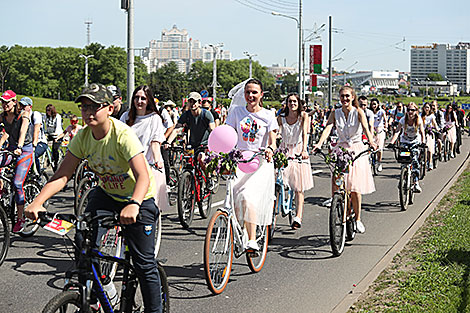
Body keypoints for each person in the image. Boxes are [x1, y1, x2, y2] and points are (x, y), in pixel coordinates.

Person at [25, 83, 162, 313]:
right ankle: (99, 294)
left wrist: (134, 204)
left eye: (94, 106)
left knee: (144, 264)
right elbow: (62, 175)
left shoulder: (122, 136)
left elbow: (142, 176)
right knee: (84, 243)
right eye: (84, 106)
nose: (88, 112)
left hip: (139, 196)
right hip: (107, 195)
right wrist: (38, 201)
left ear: (109, 108)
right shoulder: (83, 137)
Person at [313, 86, 376, 233]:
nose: (344, 99)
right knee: (338, 182)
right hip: (341, 149)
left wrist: (372, 142)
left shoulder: (358, 112)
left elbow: (366, 128)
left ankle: (358, 219)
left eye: (347, 96)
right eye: (342, 96)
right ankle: (339, 205)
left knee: (354, 187)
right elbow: (328, 128)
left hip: (356, 149)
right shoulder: (335, 113)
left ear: (353, 97)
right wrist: (319, 143)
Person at [226, 78, 278, 252]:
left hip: (260, 163)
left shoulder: (269, 115)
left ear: (261, 95)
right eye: (248, 92)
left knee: (248, 197)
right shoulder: (236, 112)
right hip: (240, 162)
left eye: (254, 92)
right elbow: (228, 134)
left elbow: (272, 141)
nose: (250, 96)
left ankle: (252, 239)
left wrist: (270, 149)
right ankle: (240, 231)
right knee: (234, 197)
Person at [121, 85, 170, 213]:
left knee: (147, 206)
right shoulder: (126, 117)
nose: (139, 101)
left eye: (143, 98)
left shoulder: (154, 118)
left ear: (148, 100)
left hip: (148, 165)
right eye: (136, 98)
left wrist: (157, 160)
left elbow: (155, 142)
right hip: (126, 164)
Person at [277, 93, 313, 229]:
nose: (292, 104)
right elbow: (276, 132)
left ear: (298, 103)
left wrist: (304, 150)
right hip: (284, 150)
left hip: (298, 150)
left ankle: (298, 216)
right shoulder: (281, 117)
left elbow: (305, 133)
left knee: (299, 187)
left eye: (294, 101)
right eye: (290, 101)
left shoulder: (303, 116)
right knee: (278, 180)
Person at [0, 91, 34, 232]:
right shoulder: (3, 116)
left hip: (24, 150)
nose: (4, 104)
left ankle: (21, 218)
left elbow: (23, 131)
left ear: (15, 102)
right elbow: (5, 133)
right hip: (11, 148)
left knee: (17, 183)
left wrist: (20, 146)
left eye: (7, 101)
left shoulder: (23, 115)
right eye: (2, 101)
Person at [389, 102, 425, 192]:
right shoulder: (403, 119)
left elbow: (422, 132)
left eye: (412, 110)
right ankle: (403, 178)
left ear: (416, 111)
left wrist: (423, 142)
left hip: (415, 142)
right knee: (404, 160)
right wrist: (392, 142)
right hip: (404, 141)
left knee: (415, 161)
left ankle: (416, 183)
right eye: (408, 110)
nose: (410, 112)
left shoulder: (418, 120)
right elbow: (397, 131)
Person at [19, 97, 48, 173]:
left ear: (30, 106)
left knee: (33, 155)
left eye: (24, 106)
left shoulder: (35, 115)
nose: (22, 108)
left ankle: (37, 174)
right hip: (27, 143)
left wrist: (34, 144)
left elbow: (37, 129)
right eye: (21, 105)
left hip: (40, 142)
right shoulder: (20, 116)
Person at [369, 98, 388, 172]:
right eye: (372, 104)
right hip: (371, 130)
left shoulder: (381, 111)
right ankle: (369, 162)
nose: (373, 106)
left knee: (379, 149)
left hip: (379, 130)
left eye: (375, 104)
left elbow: (385, 120)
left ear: (378, 105)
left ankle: (379, 162)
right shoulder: (369, 112)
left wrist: (386, 127)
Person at [44, 104, 63, 169]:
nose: (47, 112)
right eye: (46, 110)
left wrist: (56, 138)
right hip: (50, 134)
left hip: (58, 135)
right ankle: (48, 158)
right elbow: (45, 125)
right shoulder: (47, 117)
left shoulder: (58, 117)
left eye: (49, 110)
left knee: (55, 148)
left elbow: (58, 127)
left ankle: (56, 162)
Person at [421, 102, 438, 170]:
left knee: (429, 149)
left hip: (429, 133)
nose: (426, 109)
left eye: (428, 107)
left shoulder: (432, 116)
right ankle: (422, 160)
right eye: (425, 107)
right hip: (422, 133)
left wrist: (437, 129)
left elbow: (434, 123)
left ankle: (430, 162)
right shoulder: (421, 116)